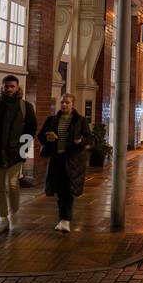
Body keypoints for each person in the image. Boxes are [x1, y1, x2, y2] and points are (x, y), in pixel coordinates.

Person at [0, 74, 37, 233]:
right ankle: (3, 218)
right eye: (7, 86)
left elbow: (31, 129)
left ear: (18, 88)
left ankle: (14, 214)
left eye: (12, 86)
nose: (9, 89)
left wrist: (23, 149)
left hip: (15, 154)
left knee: (12, 185)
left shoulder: (25, 107)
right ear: (2, 87)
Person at [39, 93, 89, 233]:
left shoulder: (80, 120)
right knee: (60, 190)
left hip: (72, 160)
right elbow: (41, 136)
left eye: (67, 102)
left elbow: (89, 138)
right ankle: (62, 220)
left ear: (73, 104)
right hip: (57, 159)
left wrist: (81, 141)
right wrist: (47, 138)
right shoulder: (52, 120)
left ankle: (65, 220)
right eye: (62, 102)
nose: (64, 105)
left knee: (67, 190)